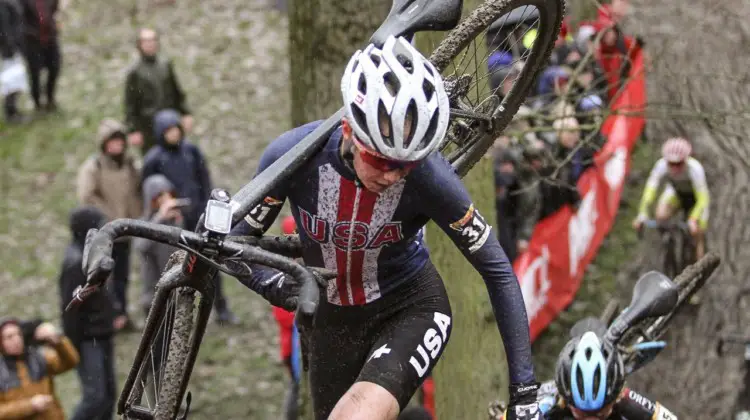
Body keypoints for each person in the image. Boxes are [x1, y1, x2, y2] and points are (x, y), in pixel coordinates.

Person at [232, 36, 540, 420]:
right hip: (332, 322)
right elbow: (233, 241)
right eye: (379, 160)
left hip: (410, 308)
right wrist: (276, 285)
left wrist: (524, 390)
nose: (392, 175)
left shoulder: (429, 176)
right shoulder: (293, 156)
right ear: (349, 132)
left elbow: (496, 269)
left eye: (404, 165)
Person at [141, 108, 238, 325]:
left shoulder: (191, 151)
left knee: (210, 261)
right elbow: (149, 190)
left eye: (176, 129)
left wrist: (208, 207)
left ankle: (220, 308)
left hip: (199, 217)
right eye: (168, 131)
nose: (173, 134)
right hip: (172, 221)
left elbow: (204, 179)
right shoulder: (154, 159)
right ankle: (173, 313)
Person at [76, 118, 142, 330]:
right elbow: (86, 196)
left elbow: (135, 191)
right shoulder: (93, 167)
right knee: (106, 275)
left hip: (126, 230)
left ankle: (121, 313)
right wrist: (108, 217)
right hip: (106, 232)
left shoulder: (130, 164)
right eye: (112, 141)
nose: (117, 145)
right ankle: (110, 315)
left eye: (120, 141)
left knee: (122, 276)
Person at [540, 318, 678, 419]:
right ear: (566, 400)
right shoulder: (546, 402)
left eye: (600, 413)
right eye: (582, 413)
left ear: (617, 397)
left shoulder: (626, 400)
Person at [59, 206, 119, 420]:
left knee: (109, 397)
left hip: (102, 335)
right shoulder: (76, 263)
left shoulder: (91, 255)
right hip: (87, 340)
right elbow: (70, 309)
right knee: (95, 398)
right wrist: (73, 344)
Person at [632, 137, 709, 261]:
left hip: (696, 199)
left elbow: (703, 199)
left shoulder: (695, 169)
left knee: (697, 233)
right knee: (660, 216)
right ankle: (668, 242)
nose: (674, 168)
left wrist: (693, 219)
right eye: (671, 164)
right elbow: (650, 191)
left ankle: (699, 264)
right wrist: (642, 214)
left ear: (686, 160)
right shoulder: (661, 165)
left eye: (679, 164)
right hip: (676, 193)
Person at [125, 28, 192, 154]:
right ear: (139, 45)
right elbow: (130, 104)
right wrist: (133, 130)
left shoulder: (165, 65)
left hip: (172, 122)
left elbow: (176, 91)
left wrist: (185, 113)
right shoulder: (134, 72)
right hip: (148, 127)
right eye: (146, 41)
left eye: (153, 40)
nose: (150, 44)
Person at [0, 317, 79, 419]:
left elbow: (71, 362)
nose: (16, 340)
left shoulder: (39, 358)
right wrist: (30, 406)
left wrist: (57, 341)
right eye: (9, 337)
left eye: (18, 334)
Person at [135, 174, 184, 316]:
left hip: (174, 290)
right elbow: (142, 247)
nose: (166, 200)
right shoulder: (144, 222)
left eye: (168, 195)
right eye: (160, 196)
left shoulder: (175, 220)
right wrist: (159, 218)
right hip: (153, 293)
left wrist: (178, 223)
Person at [18, 0, 60, 112]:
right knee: (34, 72)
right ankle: (37, 103)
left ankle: (50, 98)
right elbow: (19, 19)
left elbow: (54, 9)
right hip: (32, 41)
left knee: (54, 68)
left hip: (50, 37)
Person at [0, 0, 27, 123]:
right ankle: (11, 112)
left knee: (16, 79)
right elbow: (4, 28)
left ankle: (13, 110)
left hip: (15, 47)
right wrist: (11, 46)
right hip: (10, 49)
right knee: (12, 80)